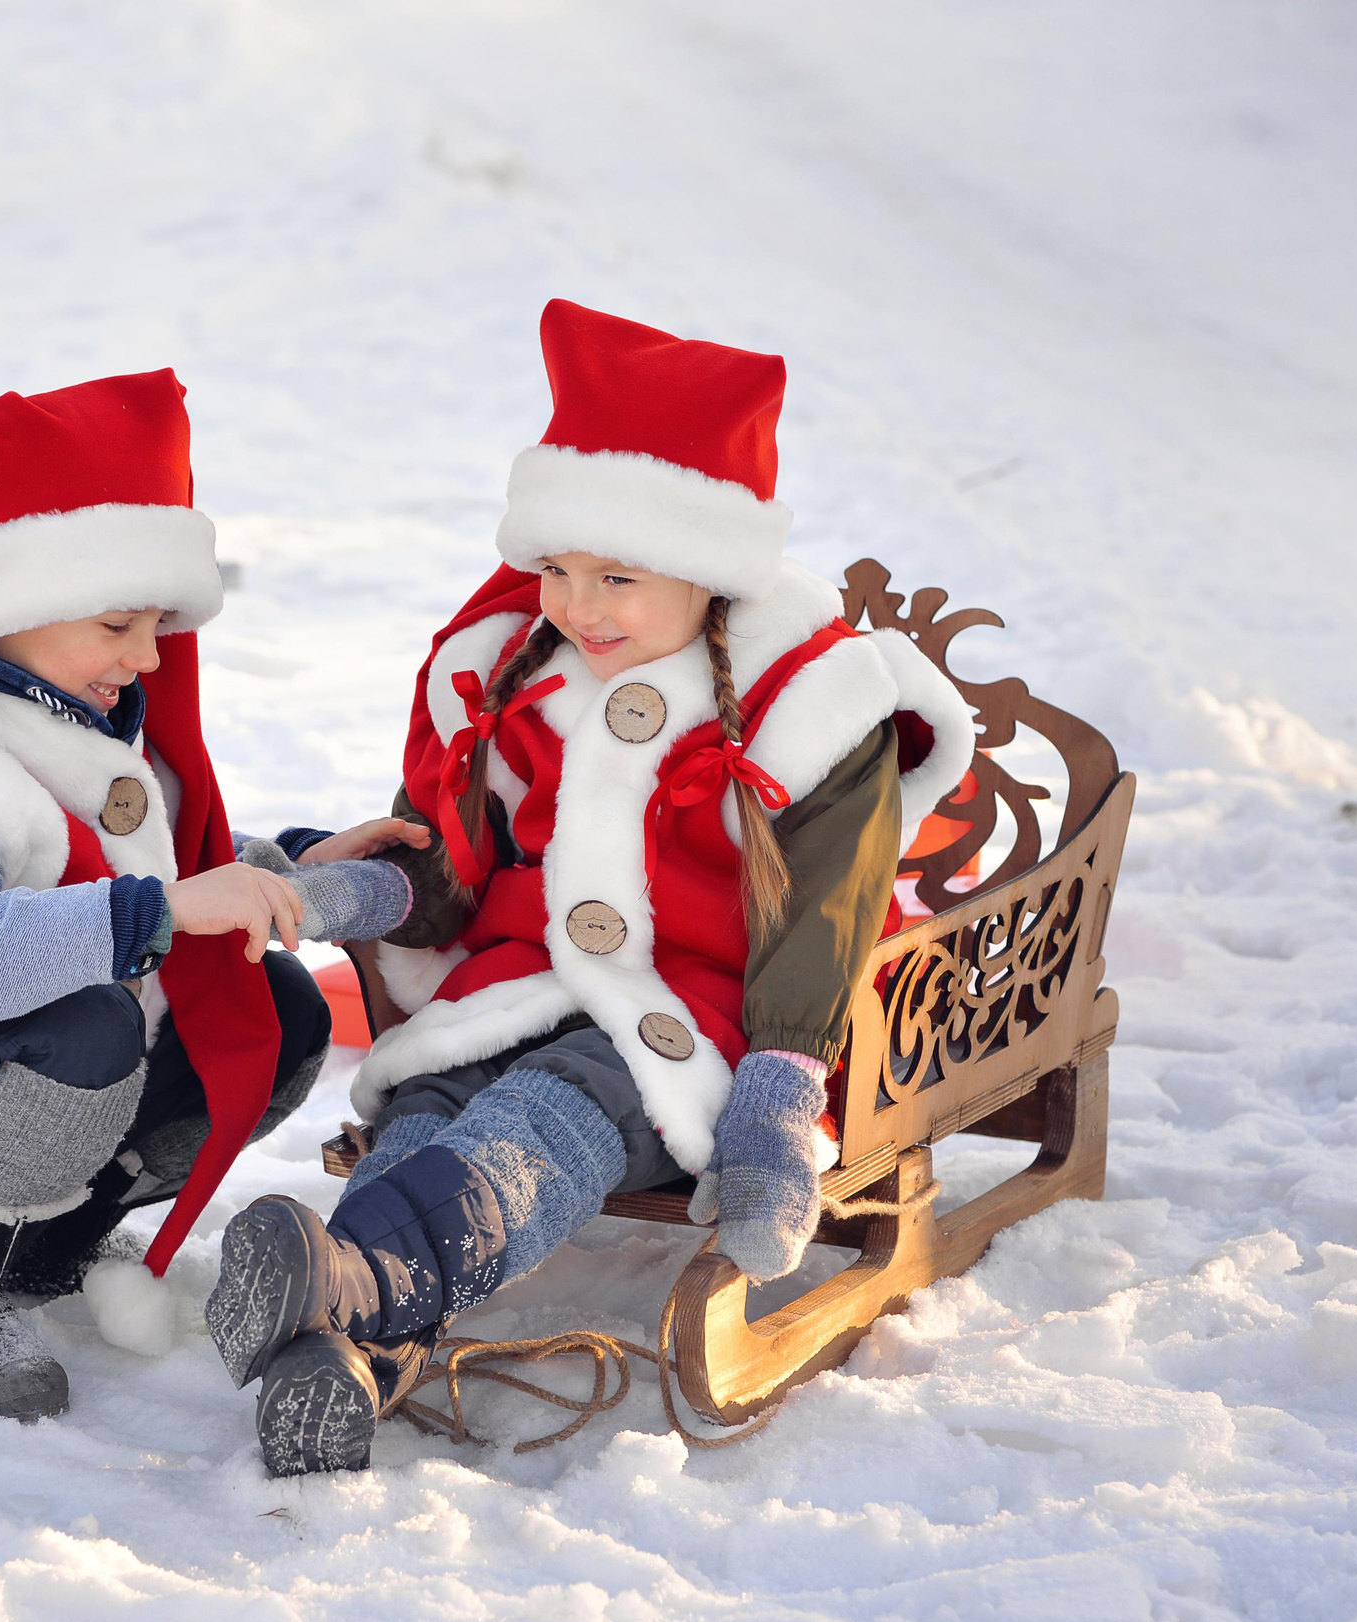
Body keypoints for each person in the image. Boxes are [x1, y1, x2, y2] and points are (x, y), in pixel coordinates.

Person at [203, 301, 978, 1474]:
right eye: (557, 569)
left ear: (711, 572)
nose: (577, 606)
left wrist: (777, 1095)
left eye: (617, 577)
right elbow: (456, 872)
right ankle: (358, 1336)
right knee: (433, 1099)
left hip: (689, 1013)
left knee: (554, 1112)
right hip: (516, 978)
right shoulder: (525, 671)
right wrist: (330, 895)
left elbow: (829, 911)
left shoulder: (807, 704)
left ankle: (355, 1277)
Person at [0, 368, 422, 1421]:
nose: (146, 656)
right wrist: (161, 915)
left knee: (275, 1010)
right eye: (117, 625)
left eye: (153, 623)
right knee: (83, 1025)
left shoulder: (68, 707)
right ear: (18, 605)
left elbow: (137, 866)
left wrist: (284, 864)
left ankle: (43, 1234)